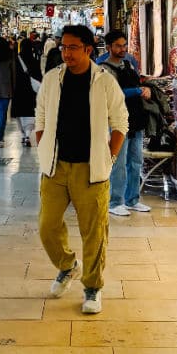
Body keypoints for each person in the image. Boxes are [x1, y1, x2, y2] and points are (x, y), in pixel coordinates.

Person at [35, 24, 128, 314]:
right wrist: (43, 146)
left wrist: (109, 157)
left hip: (91, 169)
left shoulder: (104, 82)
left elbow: (120, 122)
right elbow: (41, 116)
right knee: (47, 226)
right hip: (56, 167)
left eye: (72, 47)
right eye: (63, 47)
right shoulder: (52, 79)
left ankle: (92, 287)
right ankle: (67, 265)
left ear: (88, 49)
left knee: (94, 232)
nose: (66, 53)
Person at [98, 28, 152, 217]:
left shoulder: (129, 64)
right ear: (109, 47)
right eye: (118, 46)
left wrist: (145, 89)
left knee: (135, 160)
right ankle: (115, 201)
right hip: (116, 121)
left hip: (135, 118)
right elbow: (113, 93)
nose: (122, 49)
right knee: (119, 162)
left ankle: (132, 199)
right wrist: (138, 91)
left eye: (124, 45)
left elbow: (136, 83)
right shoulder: (103, 68)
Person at [12, 36, 39, 146]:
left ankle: (23, 135)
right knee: (29, 112)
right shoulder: (35, 61)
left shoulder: (15, 60)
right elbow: (39, 77)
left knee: (19, 112)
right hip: (30, 90)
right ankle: (27, 134)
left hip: (17, 90)